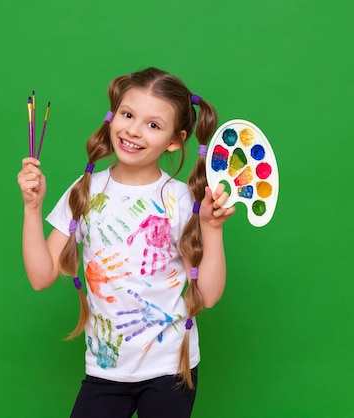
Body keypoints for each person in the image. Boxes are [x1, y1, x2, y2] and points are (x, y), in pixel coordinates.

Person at [17, 67, 235, 418]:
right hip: (105, 370)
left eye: (153, 124)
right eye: (128, 114)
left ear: (175, 140)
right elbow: (41, 277)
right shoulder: (84, 190)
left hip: (170, 370)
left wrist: (212, 229)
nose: (133, 130)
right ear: (112, 115)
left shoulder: (181, 200)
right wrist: (32, 207)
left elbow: (208, 295)